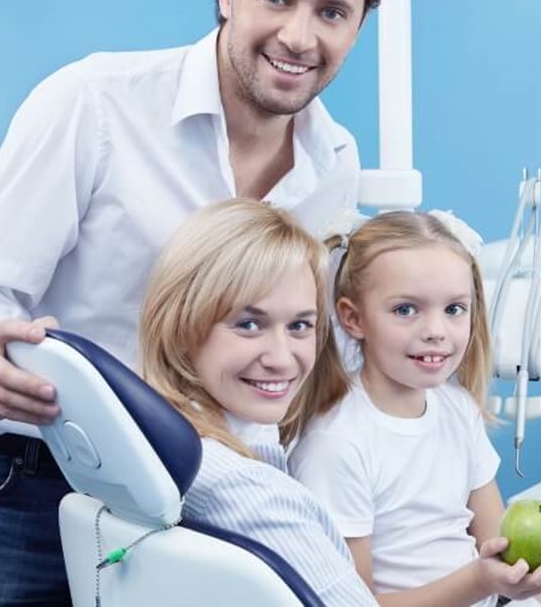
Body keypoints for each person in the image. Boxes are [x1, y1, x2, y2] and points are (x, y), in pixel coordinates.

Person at [0, 0, 388, 605]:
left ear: (358, 26)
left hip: (178, 485)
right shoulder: (94, 103)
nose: (298, 35)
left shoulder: (333, 163)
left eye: (331, 12)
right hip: (15, 473)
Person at [289, 211, 541, 607]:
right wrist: (482, 582)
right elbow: (356, 604)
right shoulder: (337, 442)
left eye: (454, 309)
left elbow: (498, 545)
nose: (436, 330)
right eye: (406, 310)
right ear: (353, 318)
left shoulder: (456, 409)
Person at [140, 198, 376, 605]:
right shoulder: (247, 490)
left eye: (300, 325)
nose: (282, 358)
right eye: (249, 325)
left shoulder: (148, 444)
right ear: (181, 326)